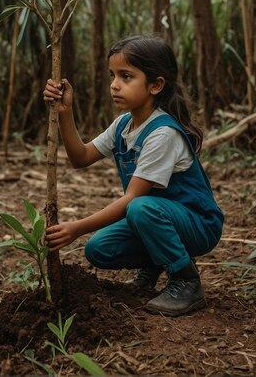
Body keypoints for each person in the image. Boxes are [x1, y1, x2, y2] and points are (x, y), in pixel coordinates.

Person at [43, 35, 224, 316]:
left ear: (156, 85)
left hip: (198, 224)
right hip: (156, 218)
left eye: (127, 77)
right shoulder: (124, 125)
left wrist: (76, 227)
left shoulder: (163, 133)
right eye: (113, 75)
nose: (115, 84)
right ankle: (154, 265)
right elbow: (80, 157)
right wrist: (66, 112)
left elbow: (133, 200)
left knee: (139, 207)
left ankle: (186, 281)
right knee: (99, 249)